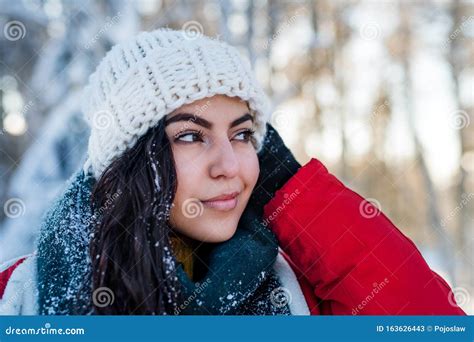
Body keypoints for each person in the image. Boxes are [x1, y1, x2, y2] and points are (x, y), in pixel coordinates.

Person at [0, 28, 466, 316]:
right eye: (190, 135)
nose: (232, 167)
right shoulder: (20, 298)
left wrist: (289, 188)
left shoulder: (299, 292)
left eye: (242, 135)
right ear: (129, 161)